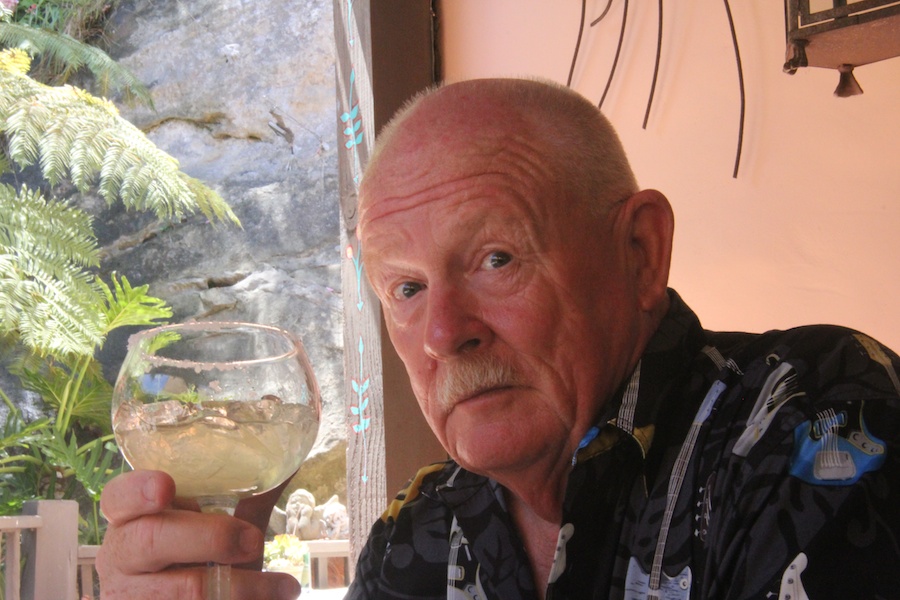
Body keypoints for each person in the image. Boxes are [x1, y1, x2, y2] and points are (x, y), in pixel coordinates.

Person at [97, 78, 900, 600]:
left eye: (496, 259)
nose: (444, 335)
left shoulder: (816, 422)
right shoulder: (416, 539)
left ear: (640, 252)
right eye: (407, 289)